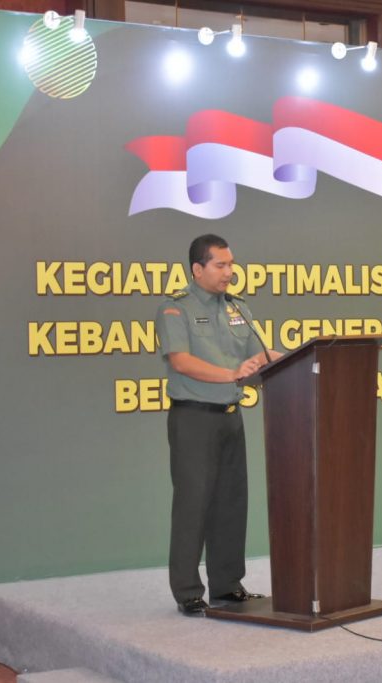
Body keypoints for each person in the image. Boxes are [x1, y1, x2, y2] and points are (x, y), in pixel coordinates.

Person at [155, 234, 282, 616]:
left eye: (231, 264)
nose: (229, 272)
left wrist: (293, 357)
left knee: (231, 503)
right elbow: (180, 361)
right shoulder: (175, 309)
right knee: (193, 504)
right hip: (193, 418)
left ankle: (227, 586)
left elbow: (258, 355)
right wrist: (231, 373)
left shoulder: (238, 308)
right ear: (198, 269)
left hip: (230, 417)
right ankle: (188, 591)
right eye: (220, 265)